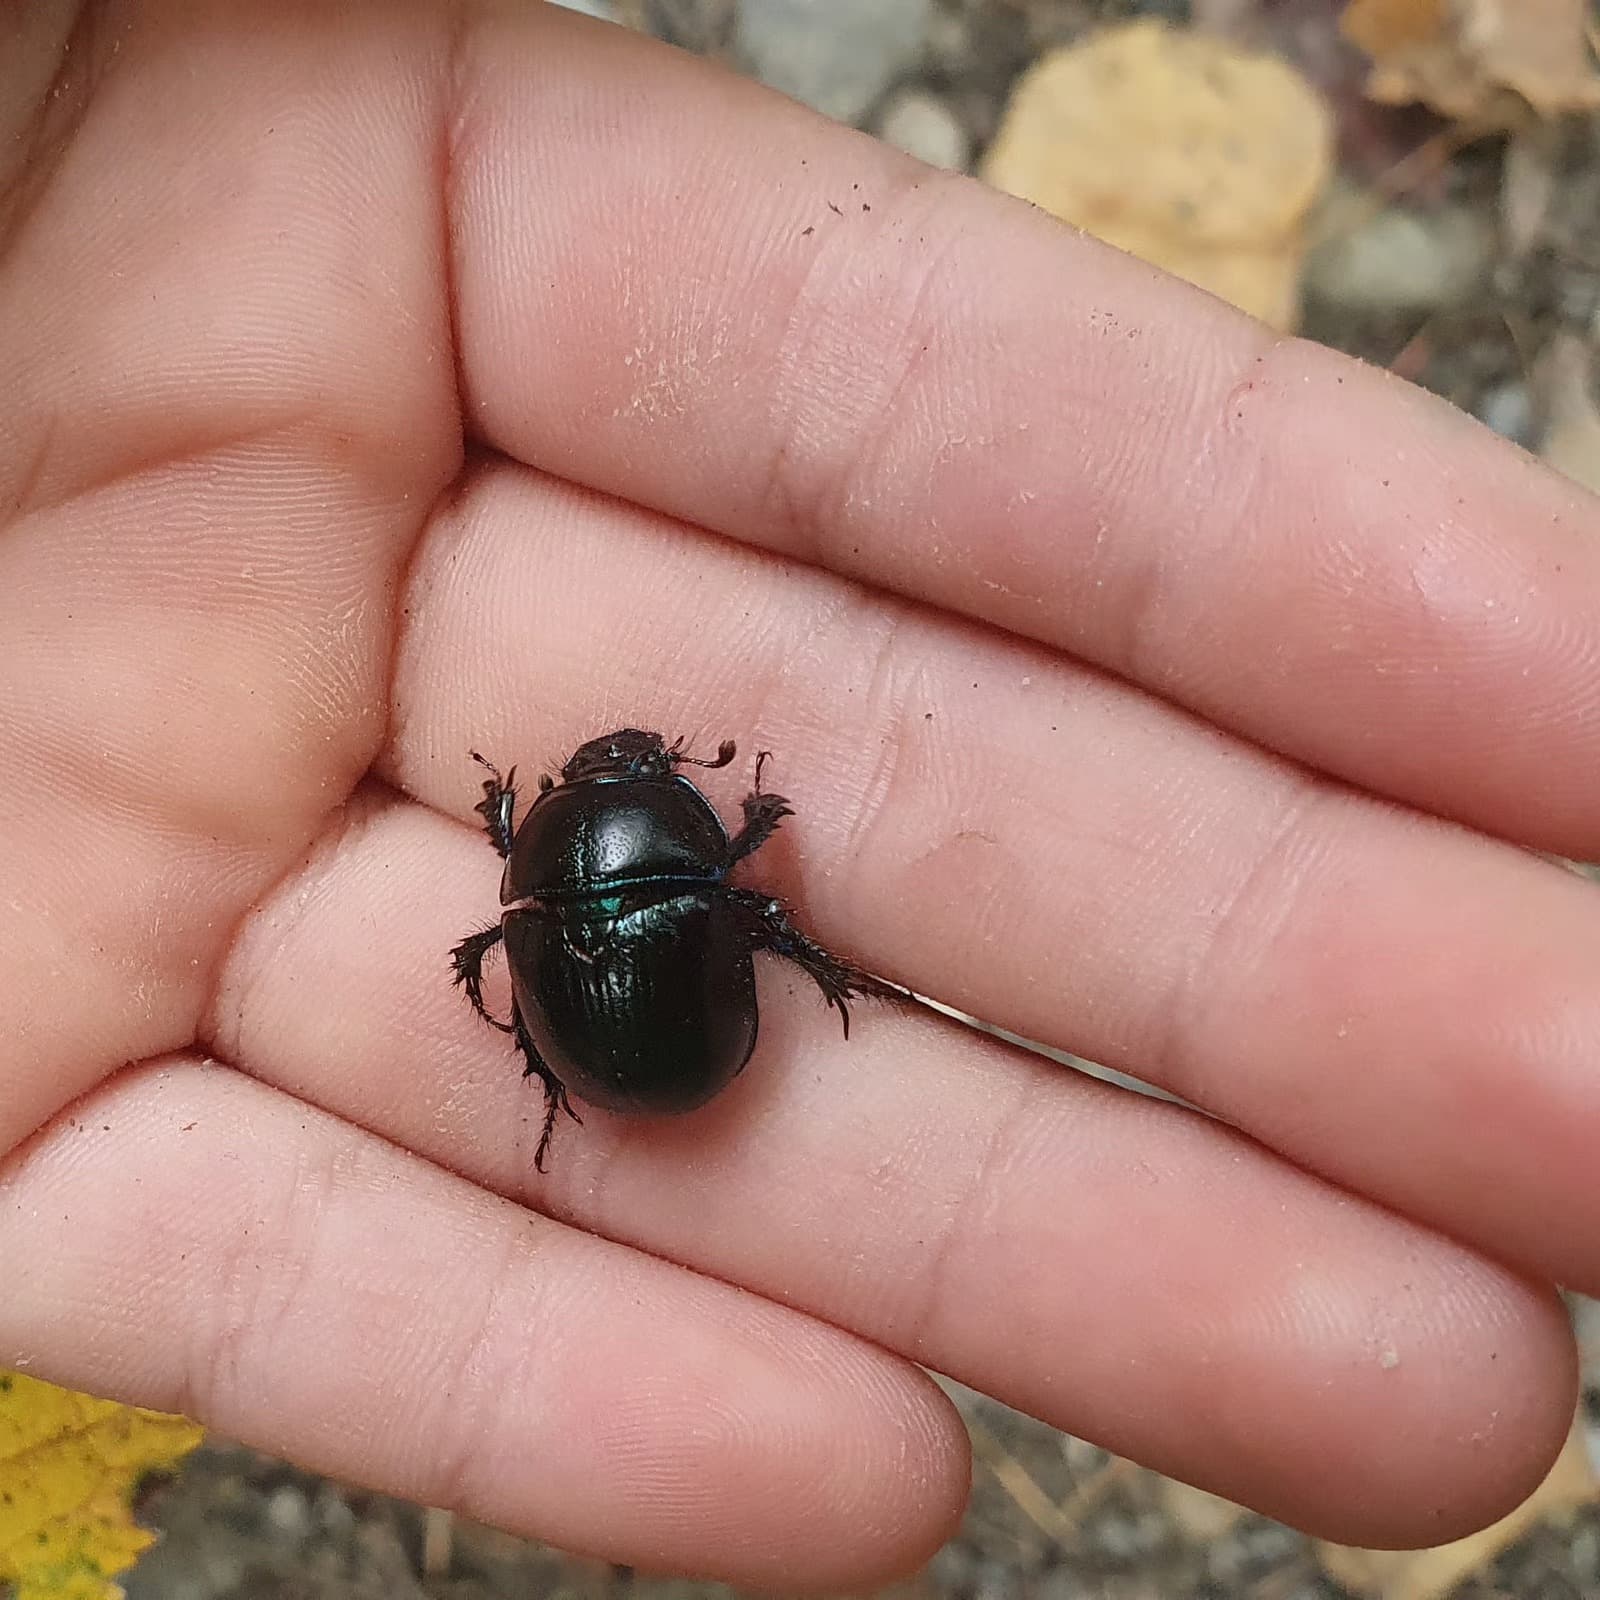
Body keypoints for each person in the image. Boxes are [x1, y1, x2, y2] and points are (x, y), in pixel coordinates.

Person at [2, 3, 1596, 1589]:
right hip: (647, 1026)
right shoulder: (698, 878)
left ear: (541, 859)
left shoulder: (533, 896)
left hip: (609, 1047)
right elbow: (670, 892)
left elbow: (499, 944)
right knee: (750, 933)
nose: (626, 781)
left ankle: (609, 1071)